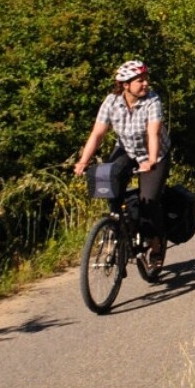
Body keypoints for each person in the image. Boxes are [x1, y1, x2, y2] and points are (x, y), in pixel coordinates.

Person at [73, 59, 169, 266]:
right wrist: (83, 161)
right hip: (126, 149)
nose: (145, 84)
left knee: (149, 200)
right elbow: (97, 134)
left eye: (146, 79)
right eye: (140, 80)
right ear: (126, 85)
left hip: (154, 154)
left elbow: (153, 133)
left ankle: (156, 243)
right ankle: (117, 231)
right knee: (110, 184)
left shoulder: (152, 100)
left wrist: (151, 160)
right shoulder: (111, 101)